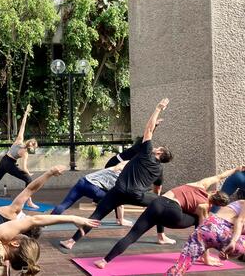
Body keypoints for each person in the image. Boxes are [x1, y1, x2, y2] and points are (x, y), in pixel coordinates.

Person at [62, 98, 173, 249]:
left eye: (158, 147)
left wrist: (158, 108)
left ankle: (71, 242)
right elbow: (157, 191)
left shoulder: (146, 152)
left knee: (97, 215)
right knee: (159, 203)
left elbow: (148, 129)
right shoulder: (159, 170)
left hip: (118, 191)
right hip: (137, 196)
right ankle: (161, 236)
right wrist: (156, 200)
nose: (155, 147)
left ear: (159, 152)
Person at [94, 167, 244, 269]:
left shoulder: (200, 184)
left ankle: (104, 261)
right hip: (173, 215)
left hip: (156, 204)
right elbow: (202, 236)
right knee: (197, 222)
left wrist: (236, 169)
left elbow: (220, 176)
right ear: (216, 204)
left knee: (132, 235)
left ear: (215, 190)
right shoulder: (204, 208)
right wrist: (207, 259)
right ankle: (201, 257)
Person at [0, 104, 39, 208]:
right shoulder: (25, 153)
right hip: (10, 164)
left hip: (4, 160)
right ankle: (29, 201)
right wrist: (29, 173)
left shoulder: (19, 140)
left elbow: (23, 125)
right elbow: (24, 168)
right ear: (32, 147)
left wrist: (26, 113)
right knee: (28, 180)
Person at [167, 200, 245, 275]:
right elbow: (240, 221)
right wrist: (233, 243)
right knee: (239, 245)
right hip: (228, 238)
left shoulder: (240, 203)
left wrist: (226, 251)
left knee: (180, 267)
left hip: (206, 228)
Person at [51, 161, 133, 226]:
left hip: (82, 182)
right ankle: (120, 220)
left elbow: (126, 162)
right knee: (117, 199)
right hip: (93, 188)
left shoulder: (115, 168)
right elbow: (120, 199)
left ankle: (47, 220)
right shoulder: (123, 177)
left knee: (65, 204)